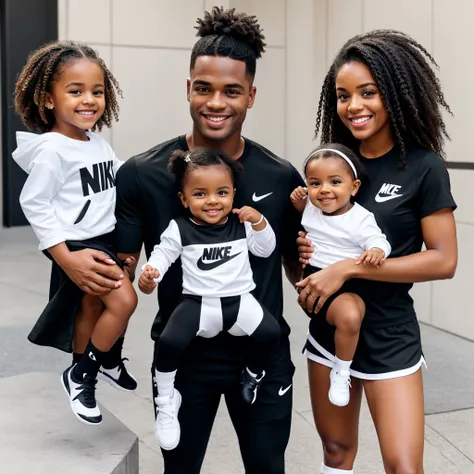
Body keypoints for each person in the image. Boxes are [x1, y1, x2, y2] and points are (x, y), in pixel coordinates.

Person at [115, 6, 304, 473]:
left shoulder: (281, 177)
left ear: (251, 96)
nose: (216, 102)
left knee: (267, 467)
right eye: (204, 88)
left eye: (231, 91)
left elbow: (297, 268)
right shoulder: (142, 174)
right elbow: (121, 269)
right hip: (184, 357)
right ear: (188, 89)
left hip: (260, 353)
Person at [296, 30, 458, 474]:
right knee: (335, 452)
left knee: (404, 466)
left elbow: (443, 260)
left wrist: (348, 269)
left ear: (396, 93)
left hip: (390, 333)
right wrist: (306, 261)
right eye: (343, 96)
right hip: (329, 325)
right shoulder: (334, 164)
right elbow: (309, 240)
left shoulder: (424, 167)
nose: (354, 106)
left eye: (368, 92)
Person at [12, 41, 138, 426]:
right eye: (76, 91)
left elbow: (121, 181)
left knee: (92, 307)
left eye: (97, 91)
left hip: (105, 238)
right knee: (124, 302)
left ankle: (105, 361)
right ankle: (82, 373)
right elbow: (34, 202)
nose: (89, 100)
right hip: (78, 243)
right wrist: (65, 257)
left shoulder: (94, 142)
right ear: (48, 99)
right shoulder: (53, 150)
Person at [138, 148, 281, 450]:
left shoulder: (240, 224)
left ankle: (252, 375)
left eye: (222, 192)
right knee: (170, 341)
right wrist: (151, 271)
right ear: (184, 199)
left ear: (233, 194)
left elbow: (266, 250)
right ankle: (166, 401)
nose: (213, 200)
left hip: (240, 302)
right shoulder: (181, 228)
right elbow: (162, 254)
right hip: (199, 304)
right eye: (200, 194)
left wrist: (259, 222)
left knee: (270, 333)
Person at [290, 144, 391, 407]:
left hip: (347, 287)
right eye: (315, 183)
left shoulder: (359, 219)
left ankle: (341, 369)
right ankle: (339, 363)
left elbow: (377, 239)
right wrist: (299, 199)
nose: (324, 189)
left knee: (349, 315)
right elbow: (304, 212)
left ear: (354, 187)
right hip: (314, 281)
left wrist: (377, 250)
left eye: (335, 182)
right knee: (345, 315)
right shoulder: (312, 209)